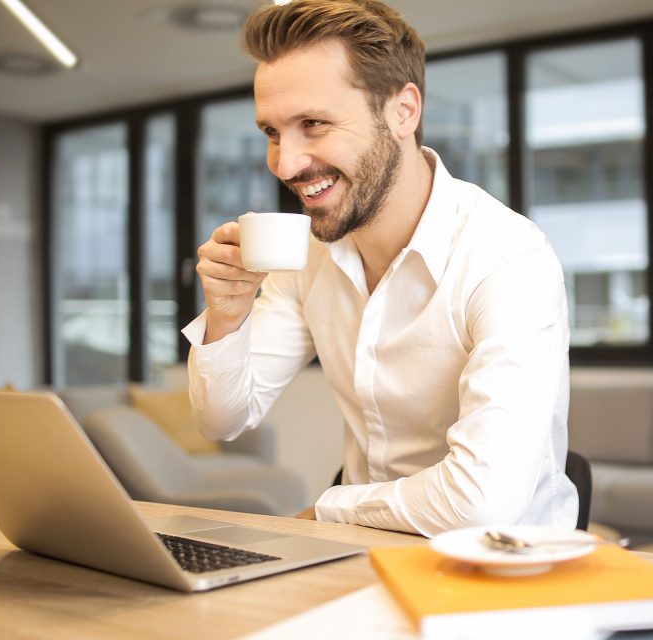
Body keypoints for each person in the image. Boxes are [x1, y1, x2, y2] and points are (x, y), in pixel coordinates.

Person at [182, 0, 576, 536]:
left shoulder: (508, 258)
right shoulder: (312, 255)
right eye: (272, 132)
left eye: (313, 124)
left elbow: (483, 501)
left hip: (500, 572)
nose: (286, 163)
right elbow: (223, 419)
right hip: (361, 559)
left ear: (403, 112)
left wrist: (329, 508)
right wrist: (227, 315)